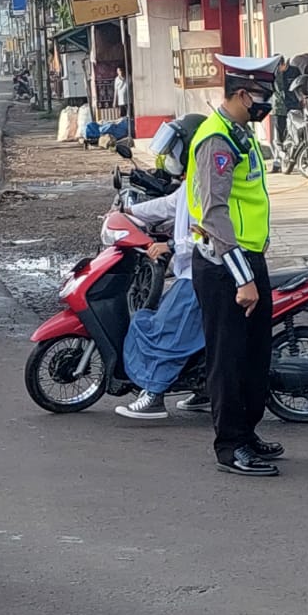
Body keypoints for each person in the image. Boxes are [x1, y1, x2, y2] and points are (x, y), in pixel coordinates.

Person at [186, 54, 282, 478]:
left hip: (246, 256)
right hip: (224, 262)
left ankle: (247, 431)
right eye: (262, 97)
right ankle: (231, 445)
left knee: (254, 355)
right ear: (242, 94)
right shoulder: (217, 141)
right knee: (228, 358)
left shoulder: (238, 132)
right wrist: (243, 278)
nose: (267, 106)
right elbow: (214, 213)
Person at [115, 116, 210, 422]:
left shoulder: (208, 182)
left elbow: (210, 230)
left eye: (176, 149)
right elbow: (169, 206)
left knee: (164, 333)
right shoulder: (192, 181)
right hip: (192, 273)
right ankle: (205, 390)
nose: (170, 156)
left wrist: (172, 246)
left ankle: (154, 396)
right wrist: (129, 211)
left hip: (200, 275)